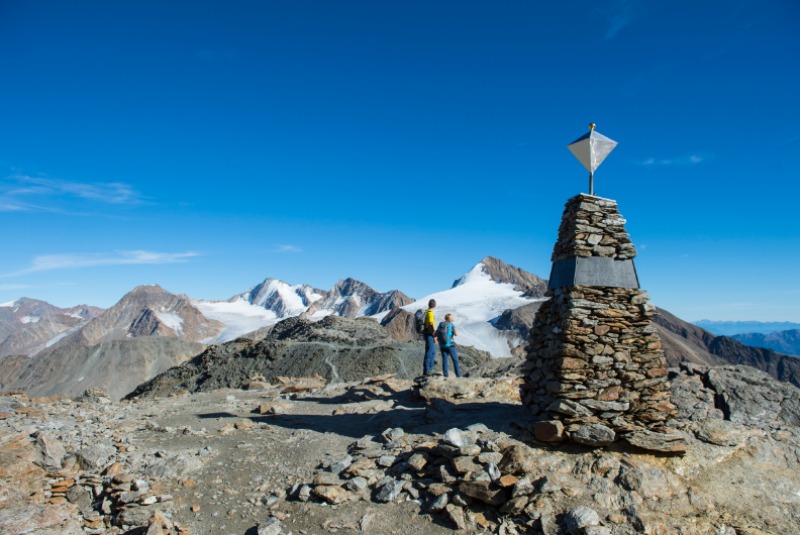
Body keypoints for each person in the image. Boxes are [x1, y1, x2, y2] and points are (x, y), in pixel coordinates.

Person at [437, 313, 461, 378]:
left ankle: (445, 376)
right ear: (450, 319)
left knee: (445, 360)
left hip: (442, 345)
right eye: (452, 317)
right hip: (450, 345)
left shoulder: (441, 324)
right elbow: (456, 334)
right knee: (455, 360)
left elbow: (436, 333)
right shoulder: (452, 325)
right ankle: (458, 376)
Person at [422, 299, 437, 376]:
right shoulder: (430, 313)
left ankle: (429, 369)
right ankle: (427, 371)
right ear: (434, 305)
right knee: (429, 352)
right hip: (429, 334)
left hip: (427, 333)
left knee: (433, 351)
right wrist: (434, 335)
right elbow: (431, 324)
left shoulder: (427, 312)